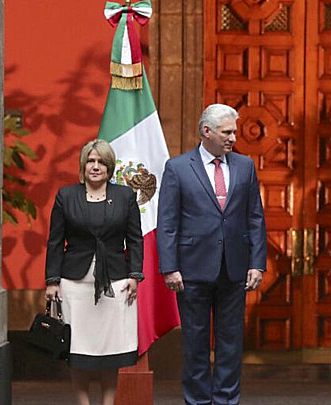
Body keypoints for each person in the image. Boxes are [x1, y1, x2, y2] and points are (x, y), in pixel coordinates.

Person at [157, 103, 267, 405]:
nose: (233, 137)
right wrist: (169, 267)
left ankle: (227, 400)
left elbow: (255, 216)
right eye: (227, 132)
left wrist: (257, 263)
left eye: (234, 131)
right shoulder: (178, 168)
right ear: (207, 132)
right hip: (191, 270)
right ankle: (197, 401)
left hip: (234, 268)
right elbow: (167, 221)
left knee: (230, 343)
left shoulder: (245, 166)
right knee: (195, 342)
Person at [44, 139, 144, 405]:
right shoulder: (66, 196)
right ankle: (83, 402)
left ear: (110, 167)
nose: (96, 166)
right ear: (83, 165)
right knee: (78, 349)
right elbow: (55, 241)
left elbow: (135, 240)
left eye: (101, 162)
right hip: (75, 284)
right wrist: (52, 281)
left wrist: (135, 275)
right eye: (91, 161)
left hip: (117, 282)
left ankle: (108, 402)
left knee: (111, 349)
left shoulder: (125, 196)